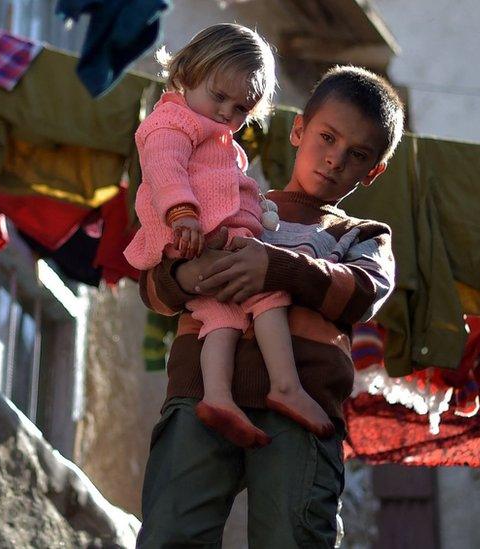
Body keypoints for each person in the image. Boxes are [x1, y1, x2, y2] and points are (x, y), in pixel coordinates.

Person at [136, 65, 405, 548]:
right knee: (171, 534)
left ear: (373, 171)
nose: (335, 159)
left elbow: (365, 293)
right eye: (327, 137)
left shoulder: (360, 234)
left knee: (293, 536)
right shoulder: (235, 203)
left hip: (300, 408)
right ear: (298, 128)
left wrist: (274, 269)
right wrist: (183, 274)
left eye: (357, 154)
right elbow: (154, 293)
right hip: (201, 394)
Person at [124, 23, 334, 447]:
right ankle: (286, 385)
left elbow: (227, 186)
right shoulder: (172, 123)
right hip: (193, 231)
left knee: (224, 315)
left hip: (208, 236)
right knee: (268, 294)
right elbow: (166, 170)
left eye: (241, 108)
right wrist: (182, 213)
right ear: (186, 72)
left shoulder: (219, 139)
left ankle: (218, 397)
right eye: (218, 96)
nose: (226, 113)